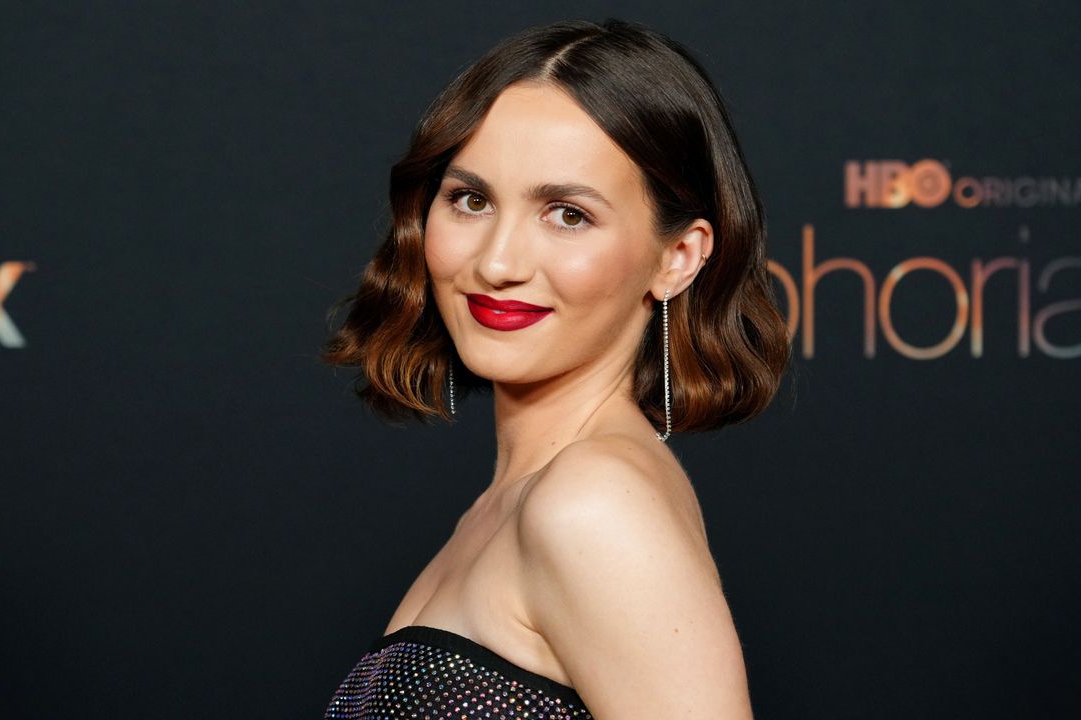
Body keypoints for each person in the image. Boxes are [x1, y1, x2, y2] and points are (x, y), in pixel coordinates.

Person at [322, 17, 790, 719]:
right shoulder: (516, 502)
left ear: (678, 259)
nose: (498, 263)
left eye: (567, 214)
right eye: (470, 200)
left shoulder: (591, 503)